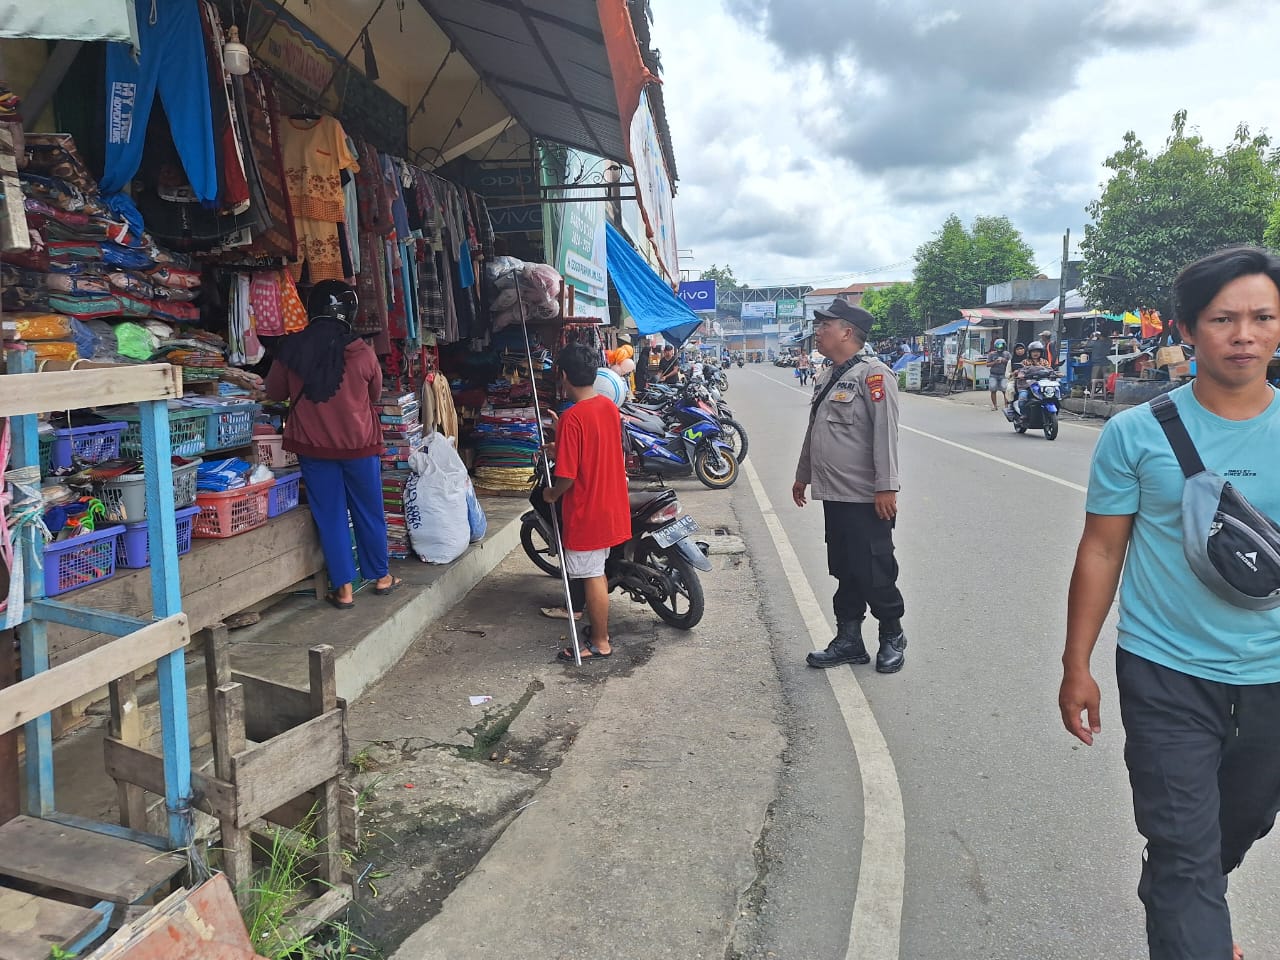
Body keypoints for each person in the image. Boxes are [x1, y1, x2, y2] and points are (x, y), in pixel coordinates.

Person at [1058, 246, 1280, 960]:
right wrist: (1077, 664)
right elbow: (1101, 550)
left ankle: (1188, 903)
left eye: (1262, 317)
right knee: (1184, 851)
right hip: (1166, 673)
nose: (1244, 334)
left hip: (1273, 678)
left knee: (1232, 830)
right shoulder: (1135, 433)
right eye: (1223, 319)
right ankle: (1192, 916)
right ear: (1187, 329)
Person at [265, 280, 400, 609]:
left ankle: (344, 590)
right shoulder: (362, 351)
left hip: (314, 448)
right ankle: (381, 576)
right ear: (349, 311)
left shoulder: (291, 349)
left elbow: (274, 393)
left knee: (331, 516)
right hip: (360, 446)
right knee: (369, 512)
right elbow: (373, 395)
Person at [792, 297, 907, 673]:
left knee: (875, 570)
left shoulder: (875, 376)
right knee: (844, 569)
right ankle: (849, 640)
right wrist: (803, 474)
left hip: (865, 497)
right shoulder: (826, 375)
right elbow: (815, 432)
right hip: (834, 495)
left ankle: (892, 634)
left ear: (847, 331)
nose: (818, 332)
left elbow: (885, 435)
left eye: (825, 325)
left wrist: (886, 487)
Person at [541, 343, 632, 662]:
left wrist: (551, 493)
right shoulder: (609, 408)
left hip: (587, 510)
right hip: (611, 504)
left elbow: (566, 476)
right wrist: (559, 443)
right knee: (597, 570)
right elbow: (593, 452)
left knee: (592, 574)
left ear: (564, 375)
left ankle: (600, 641)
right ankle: (598, 634)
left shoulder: (572, 417)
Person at [985, 338, 1012, 411]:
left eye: (1001, 346)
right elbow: (987, 364)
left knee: (1005, 390)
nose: (1000, 347)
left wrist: (1004, 361)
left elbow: (1011, 364)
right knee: (993, 389)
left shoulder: (1007, 354)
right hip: (993, 374)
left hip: (1004, 375)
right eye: (998, 346)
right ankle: (994, 405)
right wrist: (994, 362)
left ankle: (1006, 405)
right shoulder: (991, 354)